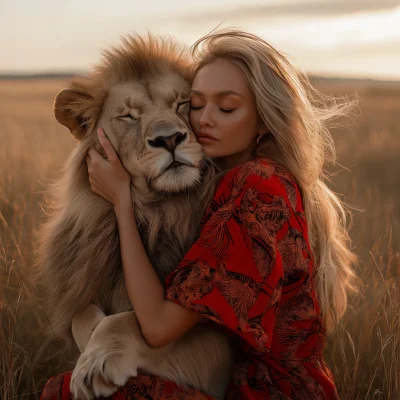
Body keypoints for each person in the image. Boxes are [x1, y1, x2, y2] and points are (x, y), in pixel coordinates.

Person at [40, 29, 358, 399]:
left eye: (225, 108)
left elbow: (160, 328)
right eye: (195, 104)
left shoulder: (257, 192)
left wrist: (122, 202)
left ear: (265, 119)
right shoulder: (229, 185)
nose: (175, 129)